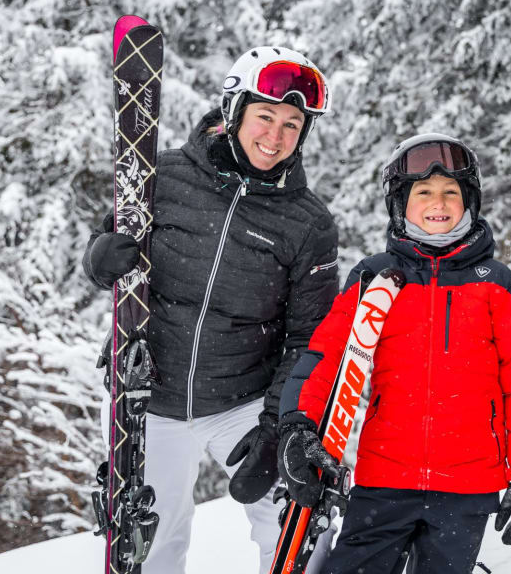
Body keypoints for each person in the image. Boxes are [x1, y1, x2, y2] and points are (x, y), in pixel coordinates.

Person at [82, 47, 339, 573]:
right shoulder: (164, 177)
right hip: (152, 397)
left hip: (243, 401)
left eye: (293, 124)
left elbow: (308, 338)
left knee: (295, 521)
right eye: (265, 116)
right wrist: (98, 257)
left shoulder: (308, 223)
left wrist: (277, 429)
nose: (276, 136)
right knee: (153, 539)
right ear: (234, 111)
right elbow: (113, 248)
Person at [277, 134, 511, 574]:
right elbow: (324, 357)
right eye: (423, 192)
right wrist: (297, 424)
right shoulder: (374, 278)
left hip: (469, 485)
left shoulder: (497, 285)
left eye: (450, 192)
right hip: (384, 479)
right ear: (400, 204)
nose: (437, 202)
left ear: (470, 202)